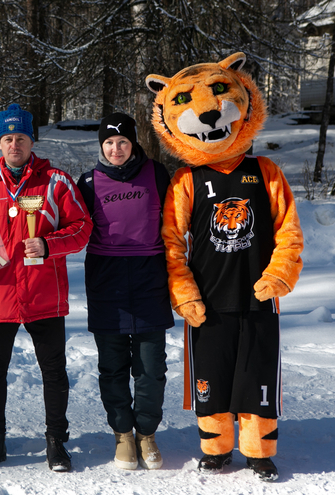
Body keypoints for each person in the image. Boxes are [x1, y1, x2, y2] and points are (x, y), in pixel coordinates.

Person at [145, 52, 304, 481]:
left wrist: (279, 274)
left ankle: (259, 450)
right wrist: (184, 294)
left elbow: (289, 230)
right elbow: (172, 243)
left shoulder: (264, 171)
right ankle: (215, 448)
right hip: (208, 302)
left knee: (258, 377)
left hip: (258, 297)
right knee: (210, 380)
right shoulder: (185, 180)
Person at [0, 104, 93, 472]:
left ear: (31, 141)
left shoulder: (56, 182)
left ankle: (56, 444)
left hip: (44, 295)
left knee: (53, 372)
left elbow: (83, 228)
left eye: (20, 137)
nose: (14, 143)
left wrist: (50, 244)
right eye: (7, 138)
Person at [76, 113, 174, 471]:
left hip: (150, 277)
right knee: (113, 366)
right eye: (108, 143)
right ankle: (123, 434)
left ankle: (146, 432)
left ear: (133, 144)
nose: (116, 149)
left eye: (122, 142)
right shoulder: (87, 182)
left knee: (151, 367)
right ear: (101, 146)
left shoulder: (157, 174)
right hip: (107, 280)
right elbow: (73, 227)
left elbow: (177, 220)